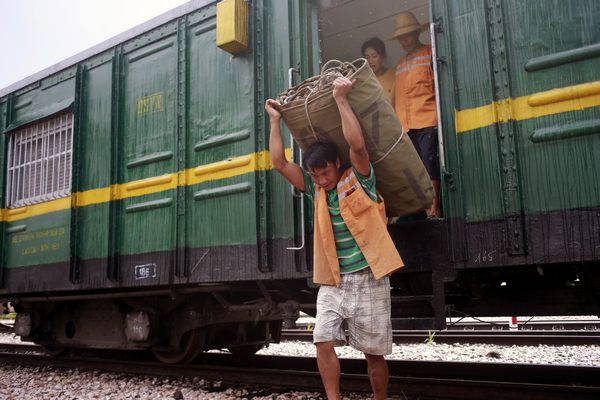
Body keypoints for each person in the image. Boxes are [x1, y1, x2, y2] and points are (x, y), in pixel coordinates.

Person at [265, 77, 404, 400]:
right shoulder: (316, 190)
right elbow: (279, 162)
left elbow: (357, 145)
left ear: (336, 164)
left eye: (324, 173)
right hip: (335, 281)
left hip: (369, 276)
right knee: (322, 338)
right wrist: (275, 122)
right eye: (314, 175)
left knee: (373, 353)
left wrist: (341, 99)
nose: (320, 179)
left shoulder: (360, 180)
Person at [389, 11, 442, 218]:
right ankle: (419, 208)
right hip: (406, 126)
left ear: (415, 33)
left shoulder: (430, 53)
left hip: (427, 119)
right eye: (401, 38)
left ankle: (434, 207)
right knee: (414, 170)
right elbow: (398, 99)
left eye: (407, 36)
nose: (404, 41)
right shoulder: (400, 64)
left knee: (430, 165)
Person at [361, 37, 395, 105]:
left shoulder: (394, 75)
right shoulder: (364, 82)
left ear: (383, 56)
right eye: (367, 57)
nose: (370, 61)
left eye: (374, 56)